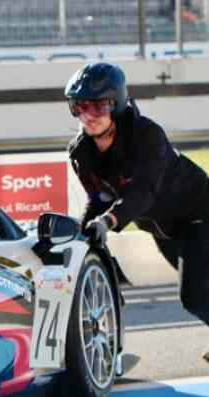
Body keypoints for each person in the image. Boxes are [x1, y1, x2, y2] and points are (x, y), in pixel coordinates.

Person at [64, 62, 209, 361]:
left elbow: (143, 192)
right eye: (80, 106)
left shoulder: (147, 135)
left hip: (198, 211)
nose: (88, 116)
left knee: (193, 295)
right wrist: (82, 230)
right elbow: (99, 197)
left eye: (98, 107)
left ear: (116, 104)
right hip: (160, 225)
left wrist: (109, 221)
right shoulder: (80, 151)